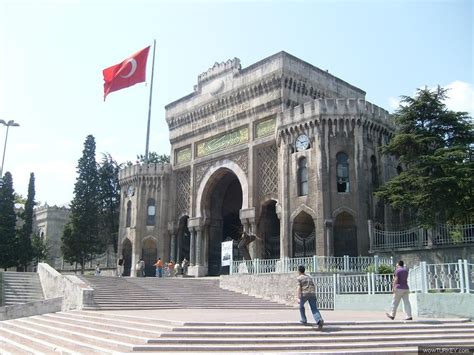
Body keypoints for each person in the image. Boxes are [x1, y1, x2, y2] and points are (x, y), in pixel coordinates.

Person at [296, 265, 324, 330]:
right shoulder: (309, 277)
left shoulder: (299, 278)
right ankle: (319, 320)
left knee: (301, 306)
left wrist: (298, 297)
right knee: (314, 308)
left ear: (299, 271)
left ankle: (304, 319)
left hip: (305, 294)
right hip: (312, 293)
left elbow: (299, 288)